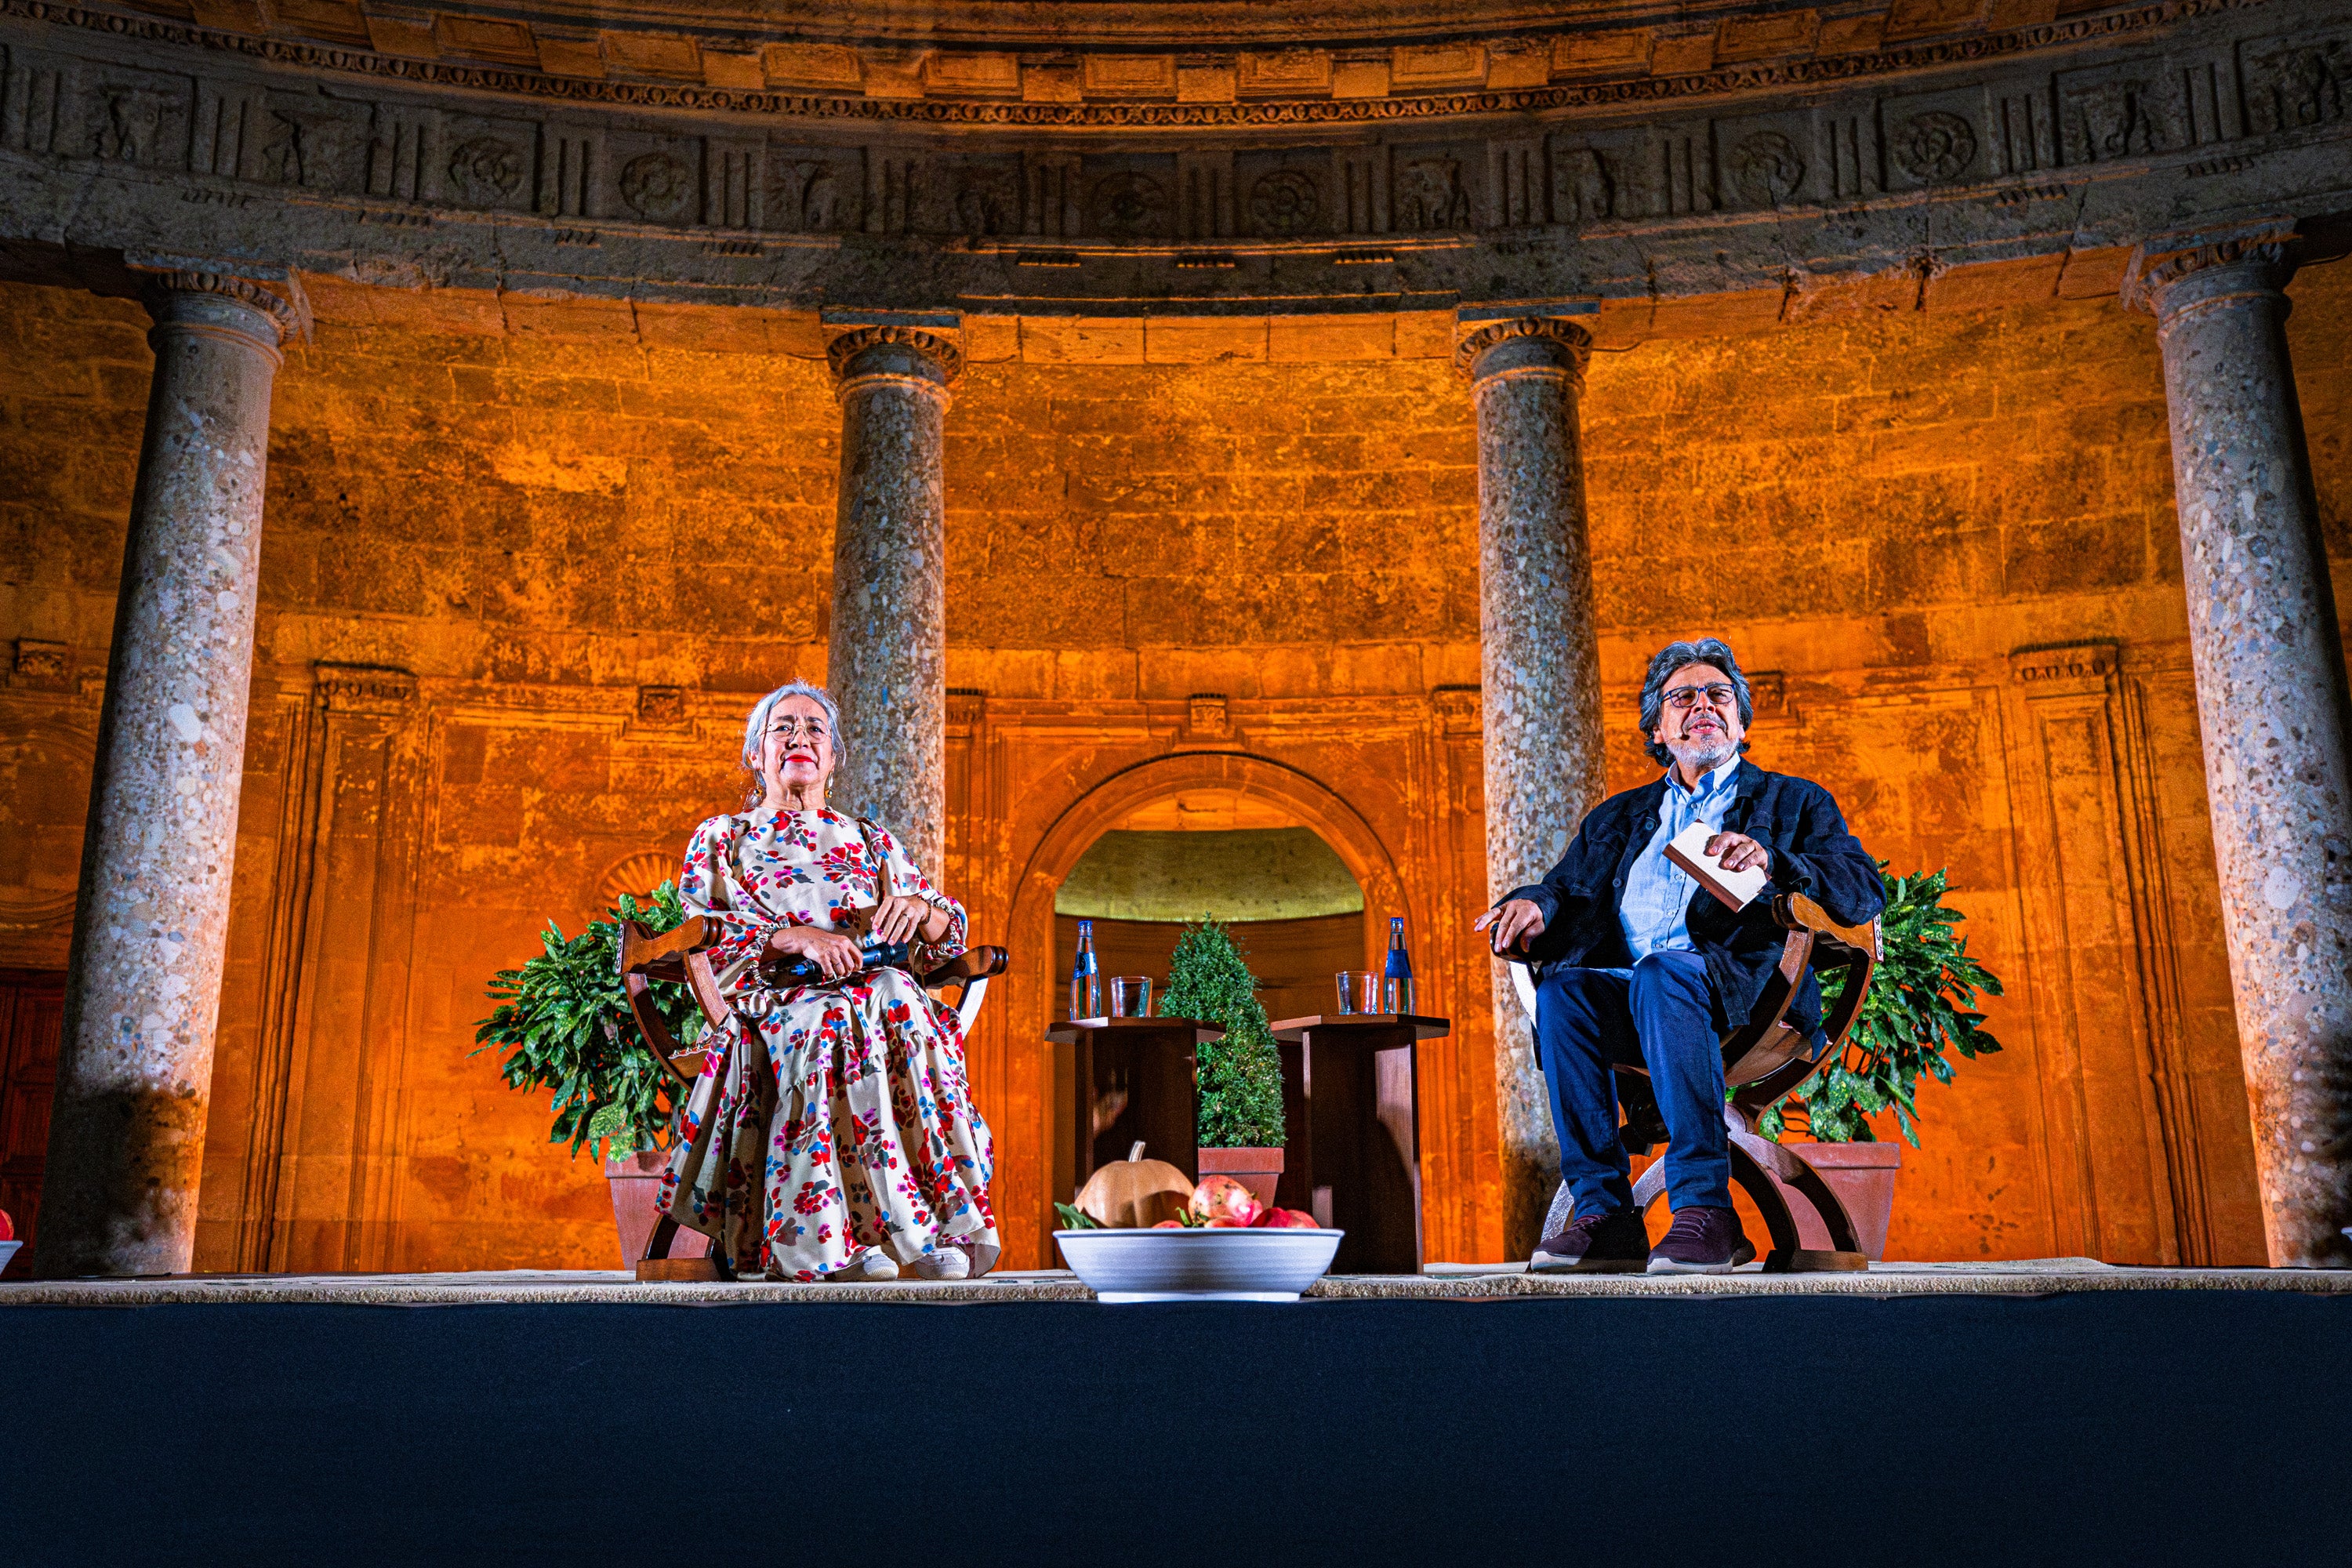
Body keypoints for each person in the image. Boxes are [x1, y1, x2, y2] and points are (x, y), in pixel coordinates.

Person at [1474, 638, 1884, 1274]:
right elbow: (1565, 888)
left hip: (1745, 998)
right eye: (1682, 697)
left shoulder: (1793, 802)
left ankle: (1706, 1212)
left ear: (1741, 724)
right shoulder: (1619, 816)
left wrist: (1777, 861)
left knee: (1663, 974)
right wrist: (1533, 905)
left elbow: (1862, 890)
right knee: (1564, 995)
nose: (1703, 706)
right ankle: (1604, 1213)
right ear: (1659, 730)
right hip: (1638, 1002)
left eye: (1719, 695)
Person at [655, 680, 997, 1282]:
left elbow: (950, 930)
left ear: (834, 758)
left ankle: (923, 1234)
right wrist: (792, 936)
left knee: (896, 994)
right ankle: (836, 1246)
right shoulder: (723, 837)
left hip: (873, 994)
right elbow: (703, 930)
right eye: (782, 727)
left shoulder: (870, 840)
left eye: (815, 729)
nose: (799, 738)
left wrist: (922, 911)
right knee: (832, 1017)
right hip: (775, 998)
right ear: (754, 754)